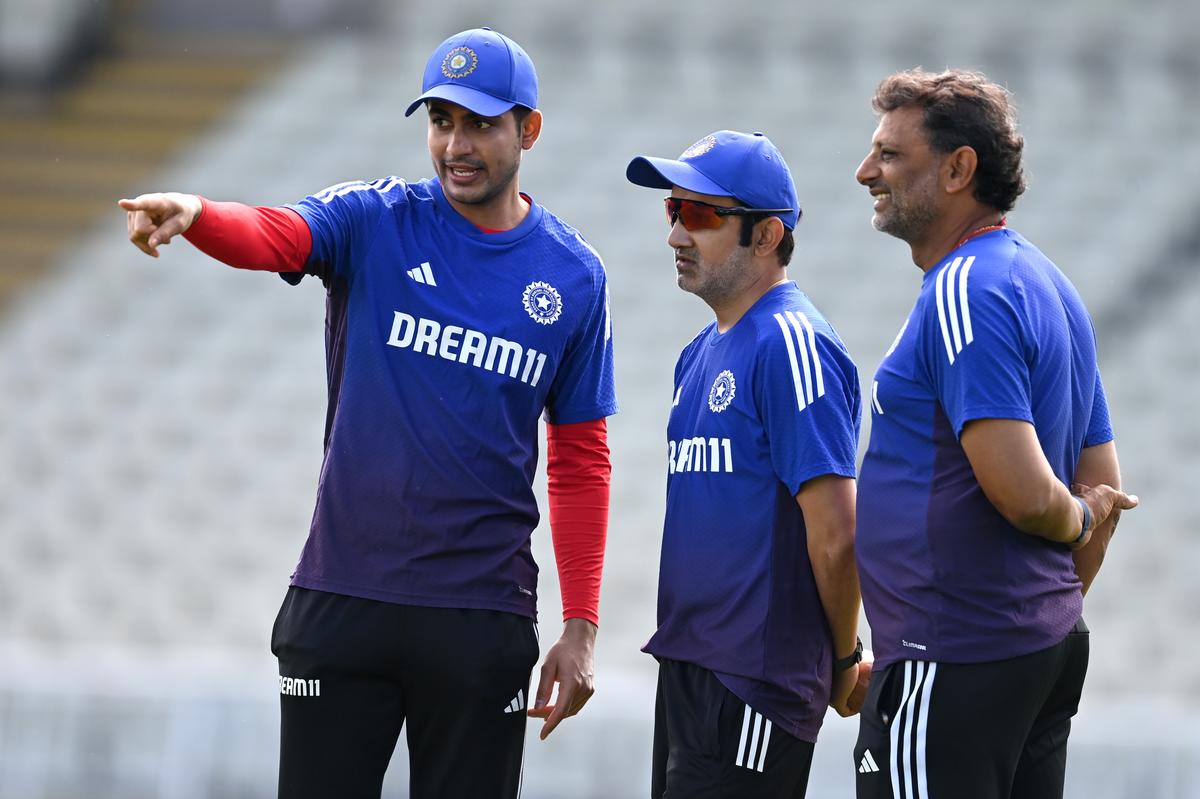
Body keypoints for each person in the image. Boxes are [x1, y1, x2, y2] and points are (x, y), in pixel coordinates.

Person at [118, 27, 617, 799]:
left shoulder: (574, 276)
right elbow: (277, 235)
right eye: (441, 120)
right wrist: (198, 212)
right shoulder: (374, 218)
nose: (456, 144)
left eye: (481, 124)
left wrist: (580, 625)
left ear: (530, 130)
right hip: (345, 600)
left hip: (480, 617)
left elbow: (580, 462)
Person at [851, 68, 1139, 799]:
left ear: (958, 169)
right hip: (1029, 648)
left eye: (890, 154)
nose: (866, 172)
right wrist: (1035, 617)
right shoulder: (1052, 286)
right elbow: (1104, 479)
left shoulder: (965, 287)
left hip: (952, 651)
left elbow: (1034, 495)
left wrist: (1075, 521)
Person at [626, 131, 865, 798]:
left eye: (700, 214)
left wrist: (846, 657)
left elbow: (837, 533)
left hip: (753, 683)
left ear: (766, 235)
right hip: (690, 671)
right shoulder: (697, 352)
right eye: (673, 209)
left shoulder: (793, 344)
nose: (676, 234)